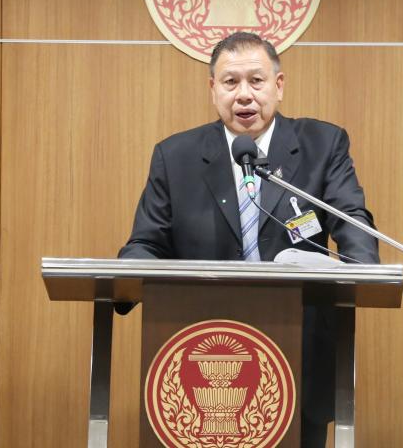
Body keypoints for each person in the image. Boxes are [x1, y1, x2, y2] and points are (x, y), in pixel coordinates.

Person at [118, 31, 379, 447]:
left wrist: (362, 268)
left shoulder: (322, 145)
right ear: (213, 89)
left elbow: (352, 220)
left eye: (256, 81)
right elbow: (147, 242)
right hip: (201, 353)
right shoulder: (175, 156)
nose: (244, 94)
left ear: (278, 85)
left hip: (298, 353)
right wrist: (126, 276)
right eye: (230, 82)